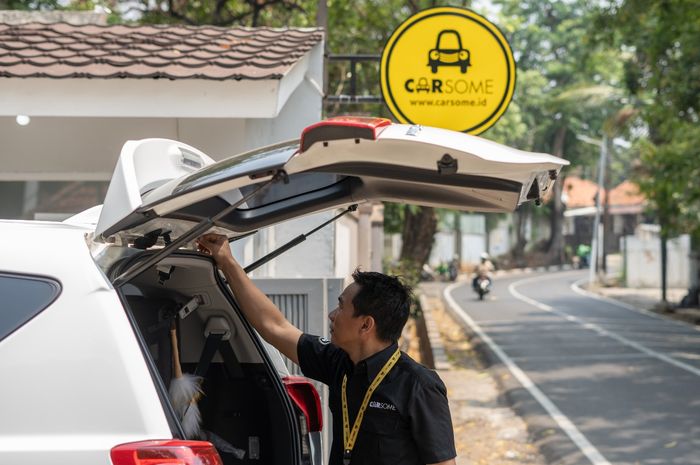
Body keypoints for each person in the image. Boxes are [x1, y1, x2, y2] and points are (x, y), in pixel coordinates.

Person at [197, 234, 457, 465]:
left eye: (341, 307)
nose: (332, 315)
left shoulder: (419, 386)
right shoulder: (338, 362)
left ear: (366, 324)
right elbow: (274, 327)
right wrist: (228, 263)